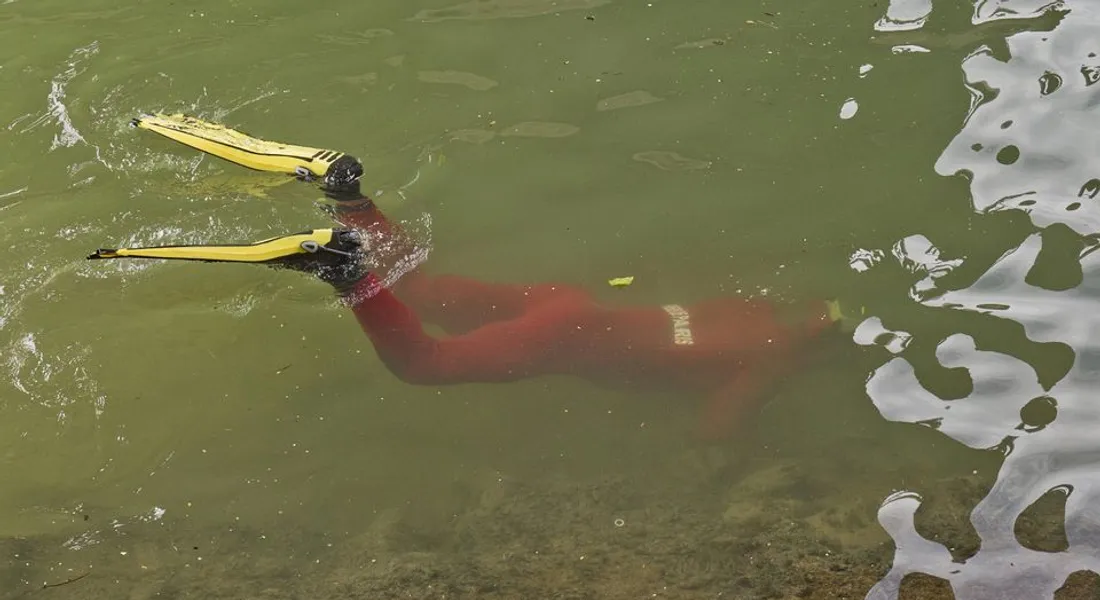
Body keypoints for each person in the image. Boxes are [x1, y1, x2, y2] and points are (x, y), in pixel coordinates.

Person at [90, 114, 845, 437]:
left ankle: (348, 193)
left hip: (568, 306)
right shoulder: (770, 357)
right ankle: (342, 268)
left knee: (420, 284)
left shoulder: (742, 307)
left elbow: (673, 320)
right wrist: (738, 433)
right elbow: (716, 433)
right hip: (568, 340)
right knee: (425, 362)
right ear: (809, 346)